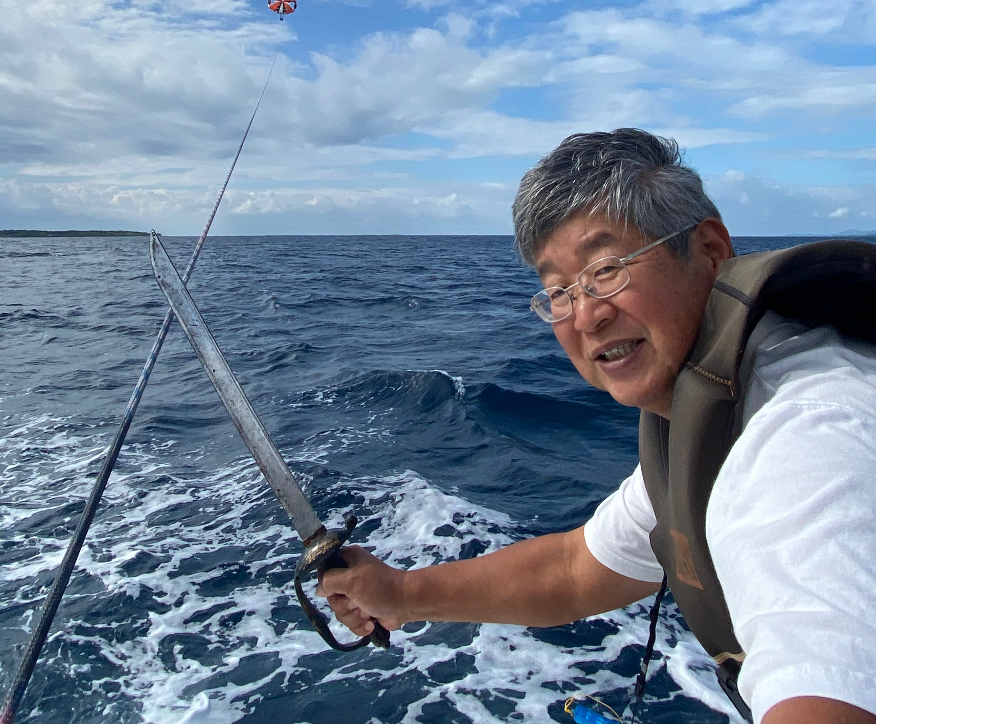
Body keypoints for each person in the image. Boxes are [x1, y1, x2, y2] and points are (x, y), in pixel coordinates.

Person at [317, 129, 875, 724]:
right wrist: (400, 595)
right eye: (558, 291)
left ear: (711, 250)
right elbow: (574, 571)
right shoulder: (709, 410)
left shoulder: (809, 433)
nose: (586, 315)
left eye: (607, 270)